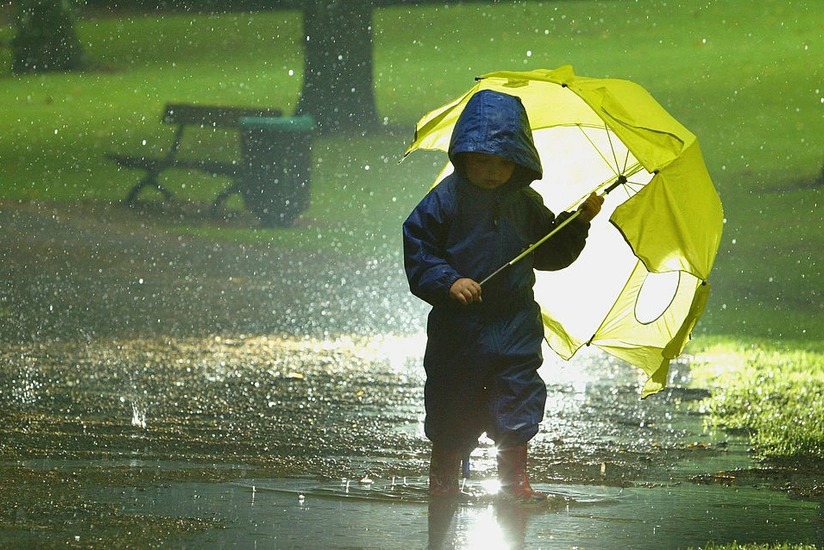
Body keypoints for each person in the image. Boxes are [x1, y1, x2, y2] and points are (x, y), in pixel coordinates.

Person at [403, 89, 603, 502]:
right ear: (463, 156)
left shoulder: (524, 202)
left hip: (515, 321)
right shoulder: (445, 201)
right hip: (459, 326)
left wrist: (577, 223)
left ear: (519, 160)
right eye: (482, 161)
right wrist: (448, 281)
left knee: (518, 395)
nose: (493, 172)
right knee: (452, 399)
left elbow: (548, 252)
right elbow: (420, 248)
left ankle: (514, 481)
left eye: (503, 162)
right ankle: (443, 480)